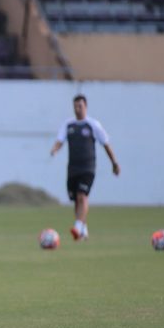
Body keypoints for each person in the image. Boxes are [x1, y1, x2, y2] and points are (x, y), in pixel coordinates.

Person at [50, 94, 120, 240]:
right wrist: (55, 149)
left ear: (85, 107)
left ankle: (77, 227)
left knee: (82, 195)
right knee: (76, 199)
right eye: (75, 106)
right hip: (72, 168)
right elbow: (60, 140)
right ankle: (84, 229)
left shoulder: (93, 125)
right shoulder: (68, 124)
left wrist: (114, 163)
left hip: (88, 167)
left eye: (80, 106)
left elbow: (106, 144)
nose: (77, 109)